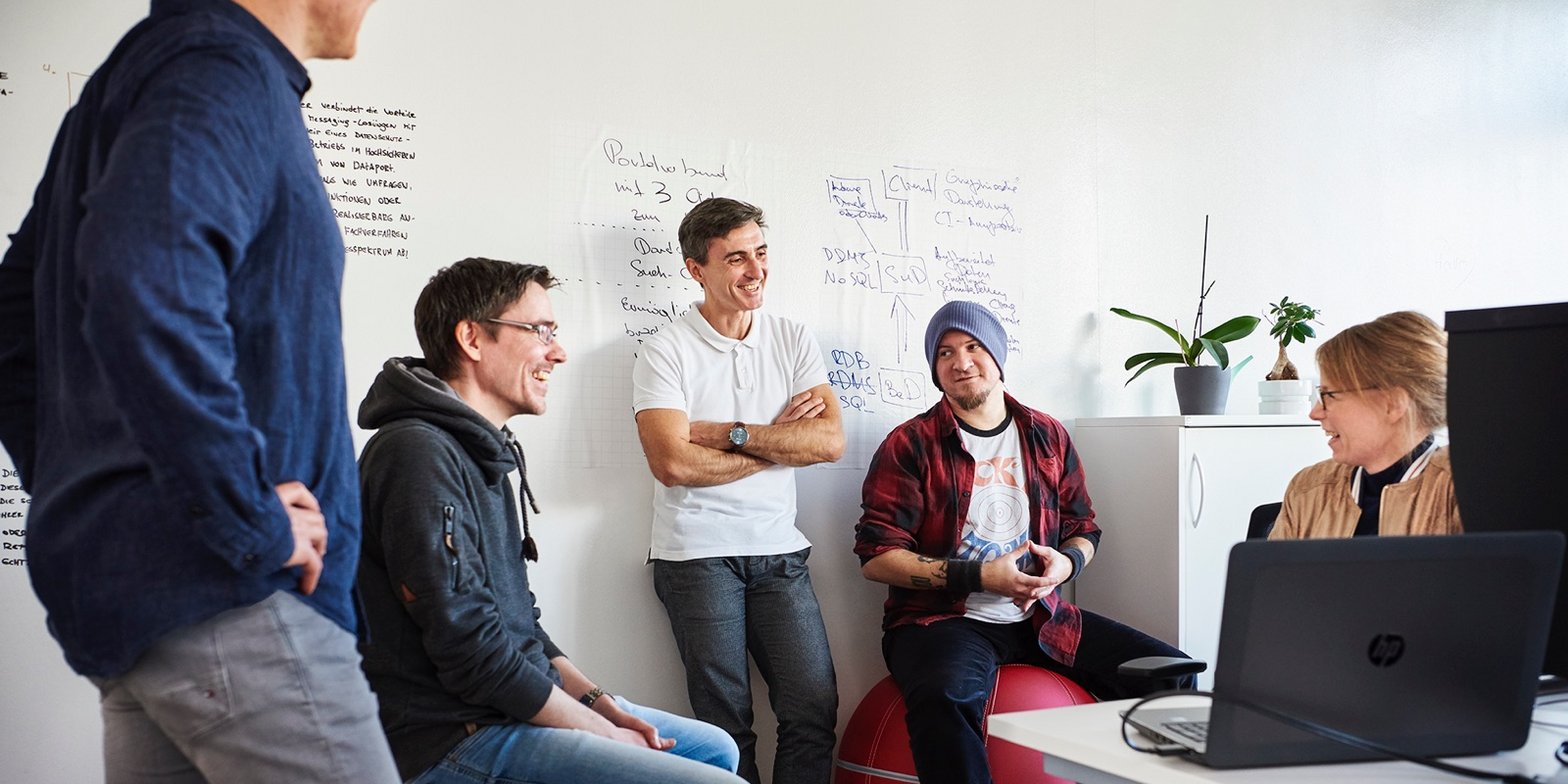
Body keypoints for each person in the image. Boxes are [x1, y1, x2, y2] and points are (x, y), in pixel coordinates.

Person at [0, 1, 399, 781]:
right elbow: (144, 283)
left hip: (168, 610)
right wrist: (245, 517)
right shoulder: (221, 64)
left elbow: (13, 332)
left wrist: (108, 503)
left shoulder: (153, 70)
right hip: (236, 597)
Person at [356, 258, 744, 784]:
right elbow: (472, 651)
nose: (557, 352)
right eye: (540, 331)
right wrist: (600, 732)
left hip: (502, 710)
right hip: (448, 735)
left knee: (714, 749)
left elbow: (520, 625)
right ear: (472, 338)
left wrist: (600, 704)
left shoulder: (482, 451)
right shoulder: (417, 455)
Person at [854, 300, 1194, 784]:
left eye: (973, 346)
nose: (961, 362)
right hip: (941, 622)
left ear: (997, 355)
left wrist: (1065, 565)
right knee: (945, 698)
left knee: (1172, 674)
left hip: (1041, 615)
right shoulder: (909, 444)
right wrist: (980, 577)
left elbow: (1083, 527)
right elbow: (877, 557)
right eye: (945, 353)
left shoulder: (1046, 434)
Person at [631, 197, 843, 784]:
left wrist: (732, 434)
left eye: (761, 253)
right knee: (725, 729)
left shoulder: (791, 338)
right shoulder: (665, 349)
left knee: (813, 709)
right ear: (695, 269)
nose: (756, 270)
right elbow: (672, 462)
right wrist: (779, 444)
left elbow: (828, 443)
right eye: (735, 259)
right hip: (696, 556)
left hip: (780, 552)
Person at [1270, 310, 1462, 539]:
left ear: (1392, 404)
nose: (1315, 413)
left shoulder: (1462, 490)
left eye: (1329, 395)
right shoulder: (1307, 490)